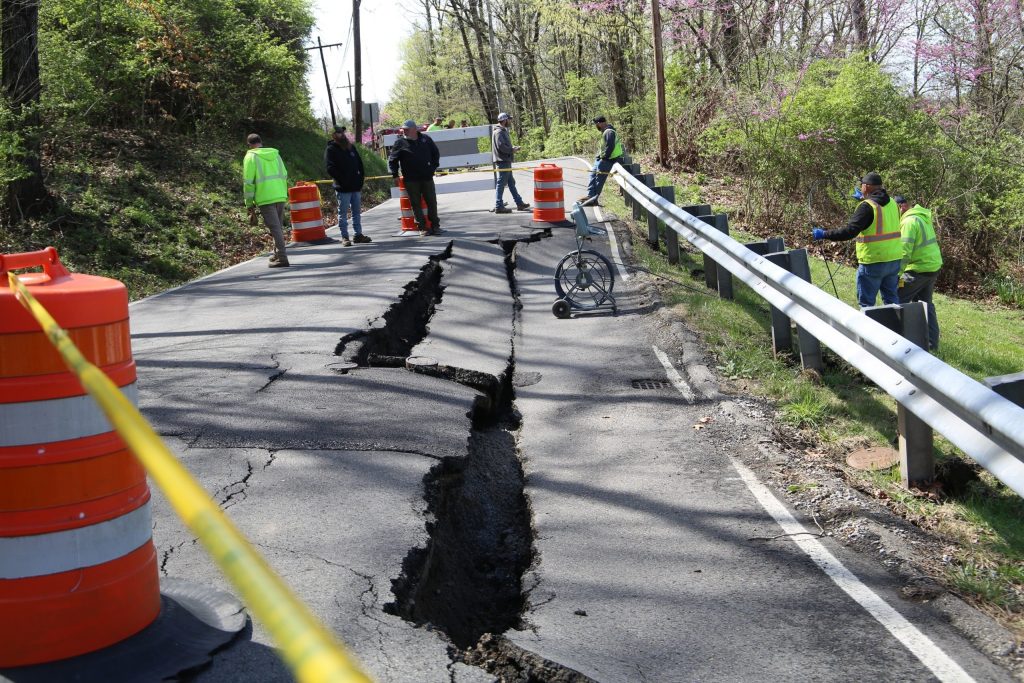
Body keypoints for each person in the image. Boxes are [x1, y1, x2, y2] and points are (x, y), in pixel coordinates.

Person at [812, 171, 902, 308]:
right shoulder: (893, 204)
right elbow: (882, 218)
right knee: (891, 302)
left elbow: (849, 231)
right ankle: (895, 328)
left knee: (867, 305)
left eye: (862, 186)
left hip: (873, 261)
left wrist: (824, 234)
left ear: (866, 187)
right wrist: (864, 199)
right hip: (894, 261)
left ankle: (867, 329)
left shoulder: (867, 207)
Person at [894, 195, 943, 350]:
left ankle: (896, 342)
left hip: (918, 269)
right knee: (926, 305)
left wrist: (896, 274)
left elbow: (904, 252)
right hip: (931, 267)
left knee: (896, 301)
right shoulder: (922, 217)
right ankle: (932, 344)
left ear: (901, 207)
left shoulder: (909, 222)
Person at [243, 133, 290, 268]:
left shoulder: (250, 157)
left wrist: (249, 203)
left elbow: (248, 183)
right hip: (280, 195)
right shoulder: (275, 155)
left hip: (265, 197)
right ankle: (276, 254)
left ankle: (282, 257)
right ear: (261, 142)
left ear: (249, 145)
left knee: (275, 228)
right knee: (278, 227)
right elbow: (284, 174)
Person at [388, 119, 441, 236]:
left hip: (427, 177)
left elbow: (435, 153)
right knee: (415, 203)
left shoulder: (426, 139)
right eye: (403, 129)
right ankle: (422, 227)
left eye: (406, 129)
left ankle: (435, 226)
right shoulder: (400, 143)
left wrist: (432, 168)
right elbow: (393, 160)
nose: (404, 131)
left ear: (414, 129)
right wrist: (395, 175)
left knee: (432, 202)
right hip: (411, 179)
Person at [324, 125, 371, 247]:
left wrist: (360, 180)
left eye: (342, 132)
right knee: (343, 213)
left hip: (355, 186)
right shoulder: (331, 149)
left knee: (356, 213)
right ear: (334, 135)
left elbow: (360, 165)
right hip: (343, 188)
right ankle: (345, 237)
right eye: (339, 132)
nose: (342, 134)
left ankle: (358, 235)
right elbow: (330, 168)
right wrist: (342, 180)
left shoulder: (351, 147)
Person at [580, 115, 625, 206]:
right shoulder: (606, 132)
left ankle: (593, 199)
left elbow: (610, 147)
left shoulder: (609, 132)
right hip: (601, 159)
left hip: (607, 160)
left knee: (599, 180)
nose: (596, 126)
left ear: (599, 123)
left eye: (596, 124)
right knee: (593, 175)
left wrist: (604, 158)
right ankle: (590, 196)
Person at [491, 112, 530, 214]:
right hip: (503, 161)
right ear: (504, 120)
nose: (510, 121)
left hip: (505, 160)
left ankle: (519, 203)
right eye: (509, 119)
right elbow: (501, 147)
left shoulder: (501, 131)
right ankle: (498, 206)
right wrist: (512, 149)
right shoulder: (499, 132)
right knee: (501, 184)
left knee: (511, 183)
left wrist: (512, 149)